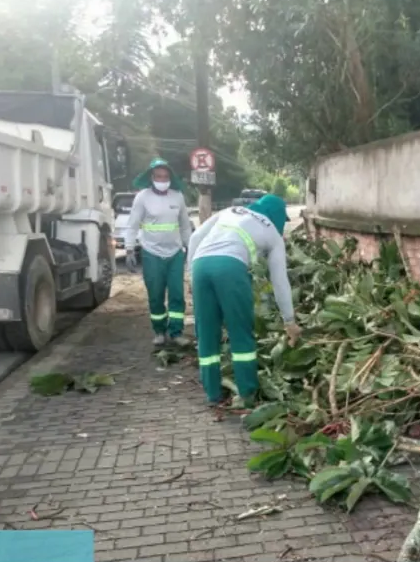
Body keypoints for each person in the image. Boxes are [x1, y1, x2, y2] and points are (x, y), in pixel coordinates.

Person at [186, 194, 301, 407]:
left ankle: (212, 395)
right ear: (276, 215)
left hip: (200, 266)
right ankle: (247, 393)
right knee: (240, 332)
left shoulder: (229, 211)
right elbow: (280, 281)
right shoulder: (272, 233)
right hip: (231, 269)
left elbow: (194, 239)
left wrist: (189, 277)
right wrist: (289, 320)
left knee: (207, 333)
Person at [123, 158, 194, 347]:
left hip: (175, 253)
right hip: (152, 253)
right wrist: (129, 249)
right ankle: (159, 331)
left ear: (170, 178)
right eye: (158, 176)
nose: (162, 180)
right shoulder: (142, 197)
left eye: (165, 176)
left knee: (177, 295)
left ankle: (176, 332)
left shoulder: (177, 197)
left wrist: (192, 248)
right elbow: (132, 226)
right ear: (151, 178)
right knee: (155, 294)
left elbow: (185, 226)